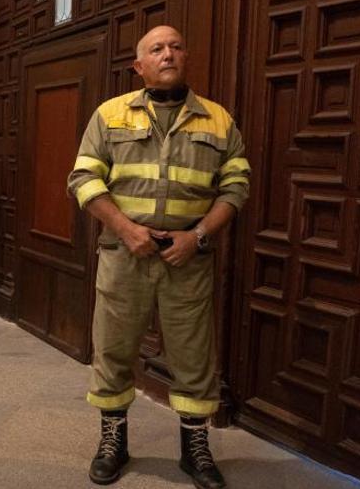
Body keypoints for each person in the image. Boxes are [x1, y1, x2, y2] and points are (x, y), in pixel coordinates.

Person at [67, 26, 250, 487]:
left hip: (188, 260)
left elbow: (236, 187)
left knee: (194, 355)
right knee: (112, 348)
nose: (168, 53)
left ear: (186, 56)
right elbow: (83, 181)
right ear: (139, 66)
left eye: (175, 46)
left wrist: (198, 236)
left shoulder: (218, 120)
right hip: (123, 255)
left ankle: (194, 448)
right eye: (156, 49)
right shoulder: (109, 115)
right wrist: (126, 230)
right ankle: (113, 441)